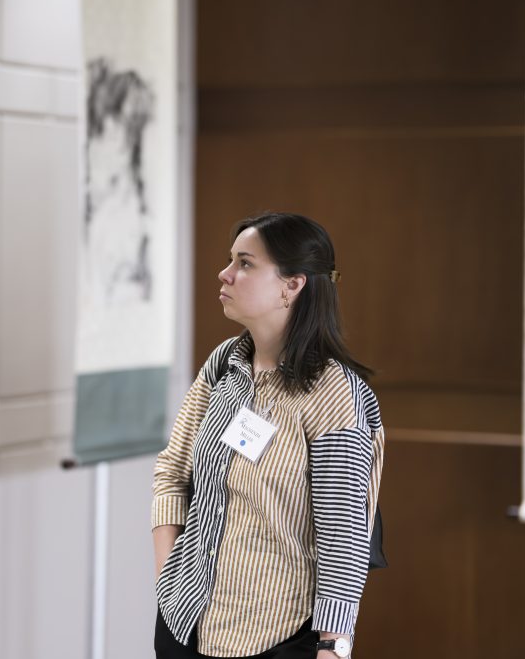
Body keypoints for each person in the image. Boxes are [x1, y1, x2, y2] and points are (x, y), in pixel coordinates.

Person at [151, 212, 385, 659]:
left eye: (244, 263)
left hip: (277, 634)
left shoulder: (334, 393)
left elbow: (343, 535)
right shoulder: (225, 363)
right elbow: (172, 471)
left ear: (291, 285)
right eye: (230, 260)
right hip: (185, 624)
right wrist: (167, 580)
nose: (224, 274)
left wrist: (333, 645)